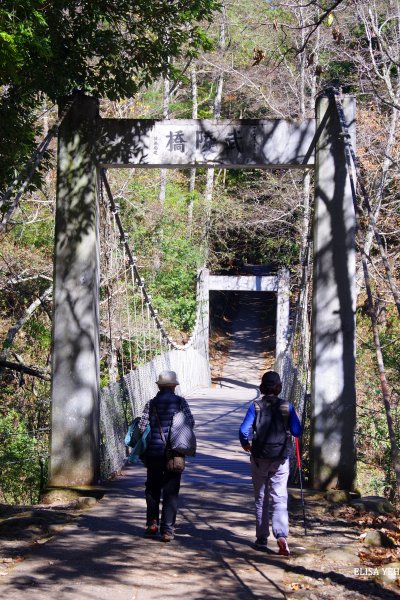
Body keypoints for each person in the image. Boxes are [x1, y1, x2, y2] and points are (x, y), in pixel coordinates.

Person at [239, 370, 302, 556]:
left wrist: (246, 445)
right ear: (279, 387)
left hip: (259, 457)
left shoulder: (255, 406)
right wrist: (293, 417)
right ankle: (281, 535)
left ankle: (261, 539)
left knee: (261, 498)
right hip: (280, 458)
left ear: (262, 387)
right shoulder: (287, 406)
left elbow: (243, 430)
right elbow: (297, 432)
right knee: (279, 497)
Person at [139, 370, 194, 542]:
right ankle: (167, 530)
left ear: (159, 386)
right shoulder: (180, 402)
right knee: (171, 492)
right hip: (174, 453)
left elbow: (142, 427)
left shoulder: (151, 403)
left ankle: (152, 523)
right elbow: (190, 422)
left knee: (152, 488)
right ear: (173, 386)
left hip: (154, 453)